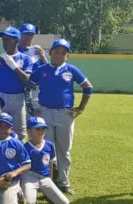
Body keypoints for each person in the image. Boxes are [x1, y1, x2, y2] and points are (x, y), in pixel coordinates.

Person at [25, 39, 93, 195]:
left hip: (65, 114)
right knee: (43, 148)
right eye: (56, 52)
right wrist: (32, 108)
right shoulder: (42, 70)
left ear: (67, 56)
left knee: (64, 150)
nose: (59, 55)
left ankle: (63, 182)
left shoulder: (71, 69)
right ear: (50, 53)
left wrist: (81, 108)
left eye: (63, 53)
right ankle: (44, 181)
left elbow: (88, 87)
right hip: (45, 113)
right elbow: (28, 87)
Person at [0, 26, 33, 140]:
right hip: (0, 97)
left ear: (16, 40)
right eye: (3, 40)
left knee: (19, 133)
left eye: (7, 39)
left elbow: (27, 80)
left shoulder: (25, 59)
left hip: (18, 98)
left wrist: (12, 65)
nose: (4, 42)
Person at [22, 117, 69, 204]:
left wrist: (50, 179)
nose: (41, 131)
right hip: (30, 177)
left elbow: (51, 164)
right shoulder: (25, 147)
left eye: (43, 129)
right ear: (29, 130)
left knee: (64, 203)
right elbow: (22, 168)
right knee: (29, 203)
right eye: (37, 129)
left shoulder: (49, 145)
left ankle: (46, 192)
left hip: (44, 178)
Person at [19, 23, 48, 117]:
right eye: (26, 34)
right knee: (20, 121)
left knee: (37, 120)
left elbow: (49, 70)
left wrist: (43, 57)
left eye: (31, 34)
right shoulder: (15, 50)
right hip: (19, 91)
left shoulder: (38, 50)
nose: (28, 37)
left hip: (36, 91)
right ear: (20, 34)